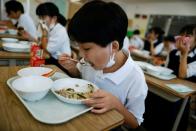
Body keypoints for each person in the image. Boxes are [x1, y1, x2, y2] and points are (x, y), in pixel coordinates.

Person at [58, 0, 148, 130]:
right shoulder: (89, 62)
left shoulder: (135, 77)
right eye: (80, 48)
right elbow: (80, 76)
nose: (82, 55)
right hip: (79, 120)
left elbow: (135, 124)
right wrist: (72, 69)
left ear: (114, 46)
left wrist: (116, 105)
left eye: (87, 49)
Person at [36, 2, 71, 68]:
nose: (41, 21)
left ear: (54, 18)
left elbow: (48, 50)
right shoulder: (51, 28)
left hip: (61, 64)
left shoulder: (60, 31)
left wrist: (44, 34)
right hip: (52, 59)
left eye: (43, 17)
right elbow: (40, 44)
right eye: (39, 17)